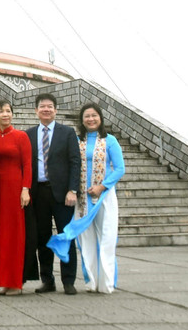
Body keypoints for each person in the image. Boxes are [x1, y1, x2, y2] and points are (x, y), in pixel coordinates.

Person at [49, 103, 125, 293]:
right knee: (85, 241)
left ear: (100, 118)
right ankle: (91, 281)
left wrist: (102, 186)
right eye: (87, 116)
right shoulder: (77, 140)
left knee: (106, 238)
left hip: (104, 198)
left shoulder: (110, 141)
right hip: (82, 199)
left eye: (94, 115)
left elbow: (120, 169)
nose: (91, 119)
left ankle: (106, 283)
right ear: (81, 120)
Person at [26, 93, 82, 295]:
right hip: (38, 192)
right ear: (36, 110)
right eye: (42, 106)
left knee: (66, 236)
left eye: (50, 106)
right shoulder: (29, 134)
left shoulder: (67, 133)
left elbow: (75, 162)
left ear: (56, 110)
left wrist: (72, 189)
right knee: (43, 238)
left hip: (62, 194)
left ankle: (68, 280)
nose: (46, 109)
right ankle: (47, 280)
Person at [0, 100, 32, 295]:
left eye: (8, 111)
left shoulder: (21, 136)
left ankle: (15, 282)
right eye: (1, 111)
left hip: (14, 189)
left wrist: (25, 189)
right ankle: (3, 280)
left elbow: (28, 164)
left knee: (14, 234)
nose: (5, 114)